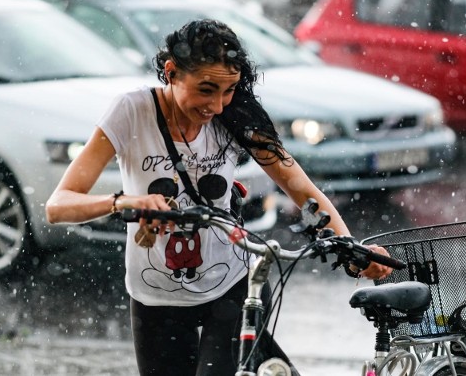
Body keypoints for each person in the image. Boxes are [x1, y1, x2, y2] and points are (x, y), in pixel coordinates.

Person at [46, 19, 392, 376]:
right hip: (154, 294)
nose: (217, 104)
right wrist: (124, 203)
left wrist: (351, 247)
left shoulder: (235, 116)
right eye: (206, 89)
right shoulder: (131, 112)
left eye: (227, 90)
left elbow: (301, 189)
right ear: (171, 72)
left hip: (232, 287)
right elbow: (58, 207)